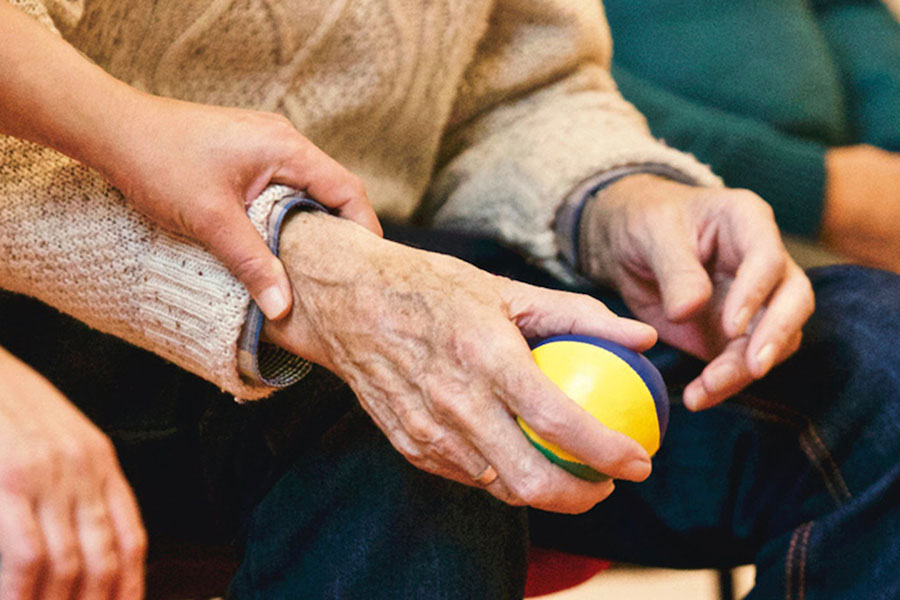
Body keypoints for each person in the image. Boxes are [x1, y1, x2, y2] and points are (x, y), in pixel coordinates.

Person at [0, 2, 897, 600]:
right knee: (417, 430)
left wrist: (623, 200)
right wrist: (300, 268)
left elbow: (516, 89)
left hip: (392, 252)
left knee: (875, 363)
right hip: (71, 285)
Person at [603, 0, 900, 271]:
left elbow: (848, 9)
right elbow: (573, 83)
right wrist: (813, 189)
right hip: (694, 202)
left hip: (858, 169)